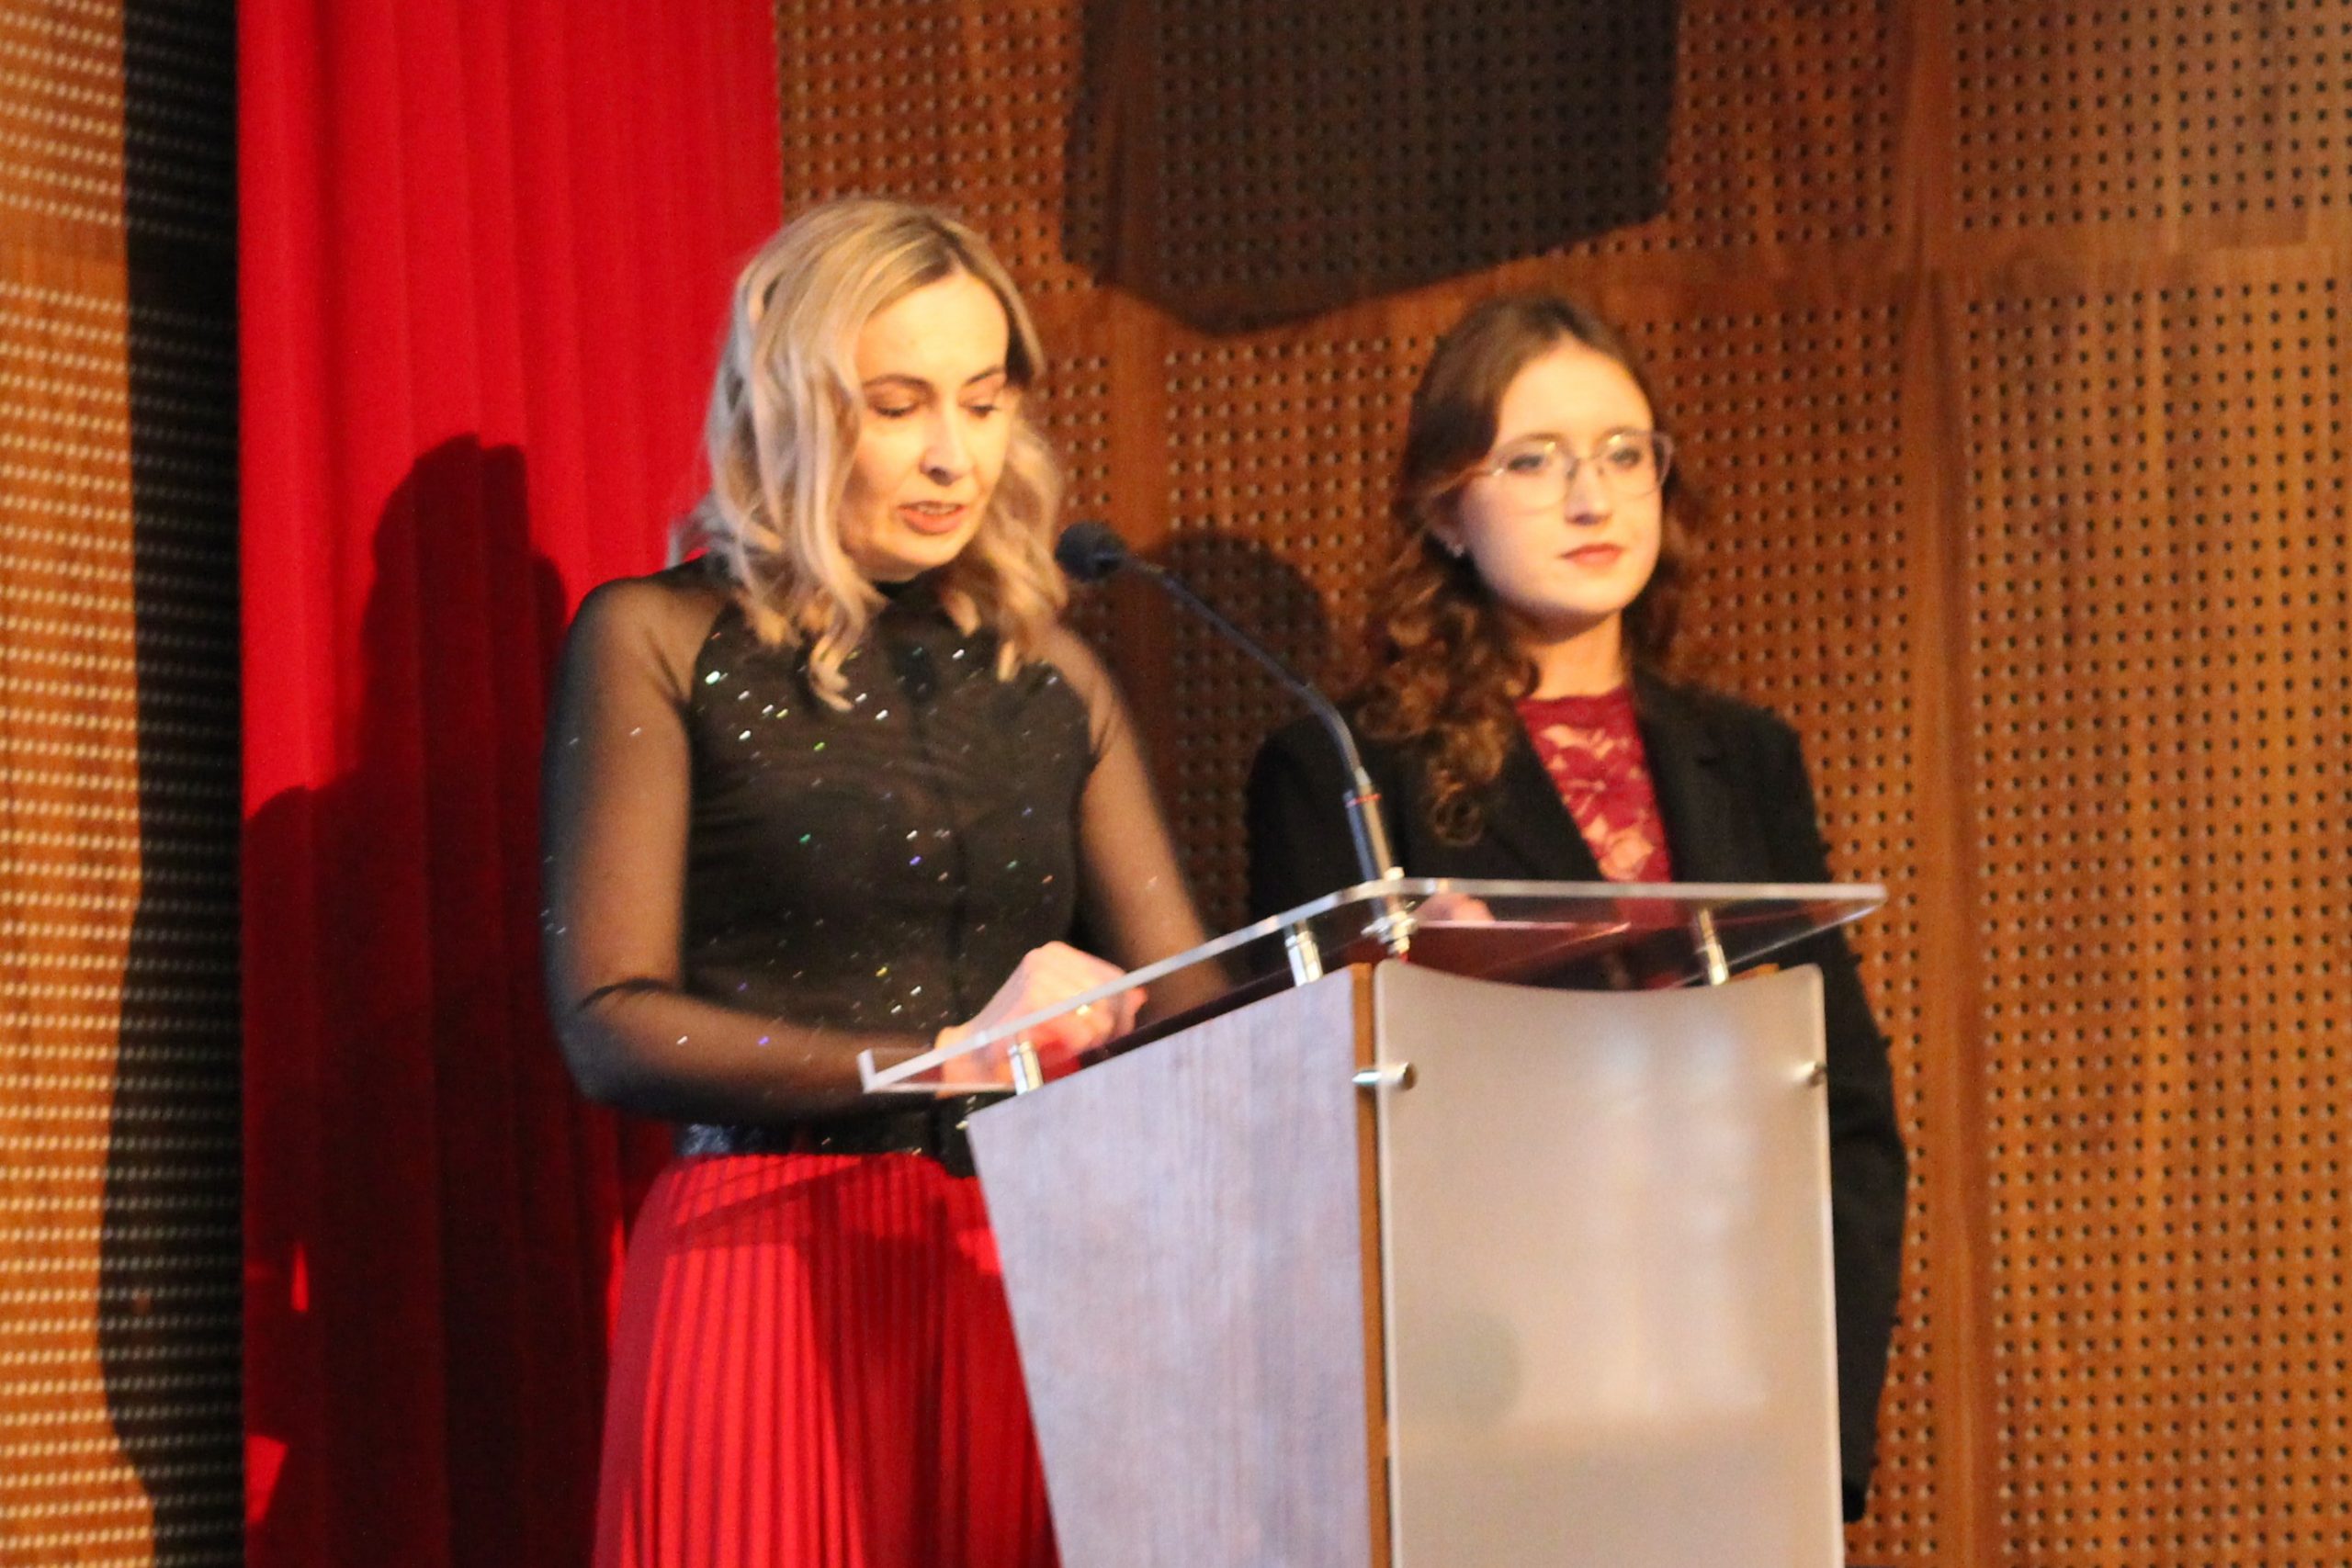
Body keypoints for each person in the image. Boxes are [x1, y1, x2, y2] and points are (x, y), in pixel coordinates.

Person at [540, 197, 1207, 1567]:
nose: (955, 453)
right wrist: (943, 1059)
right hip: (761, 1267)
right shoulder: (657, 637)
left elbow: (1192, 1002)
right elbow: (610, 1023)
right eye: (898, 406)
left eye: (984, 400)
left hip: (1023, 1268)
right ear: (788, 409)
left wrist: (1400, 974)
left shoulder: (1051, 674)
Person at [1244, 294, 1907, 1521]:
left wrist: (1824, 1430)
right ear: (1445, 509)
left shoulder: (1747, 755)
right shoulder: (1347, 773)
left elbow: (1845, 1116)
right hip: (1482, 1405)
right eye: (1535, 461)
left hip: (1735, 1385)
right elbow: (1307, 1140)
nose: (1593, 499)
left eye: (1622, 454)